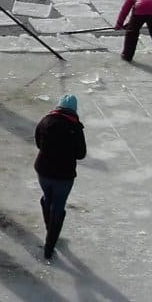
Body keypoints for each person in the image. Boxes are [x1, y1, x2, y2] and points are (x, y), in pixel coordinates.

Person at [34, 94, 87, 261]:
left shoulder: (45, 121)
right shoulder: (75, 127)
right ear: (74, 109)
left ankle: (50, 229)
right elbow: (81, 154)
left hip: (43, 171)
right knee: (58, 207)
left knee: (46, 199)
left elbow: (37, 142)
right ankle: (49, 247)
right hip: (63, 175)